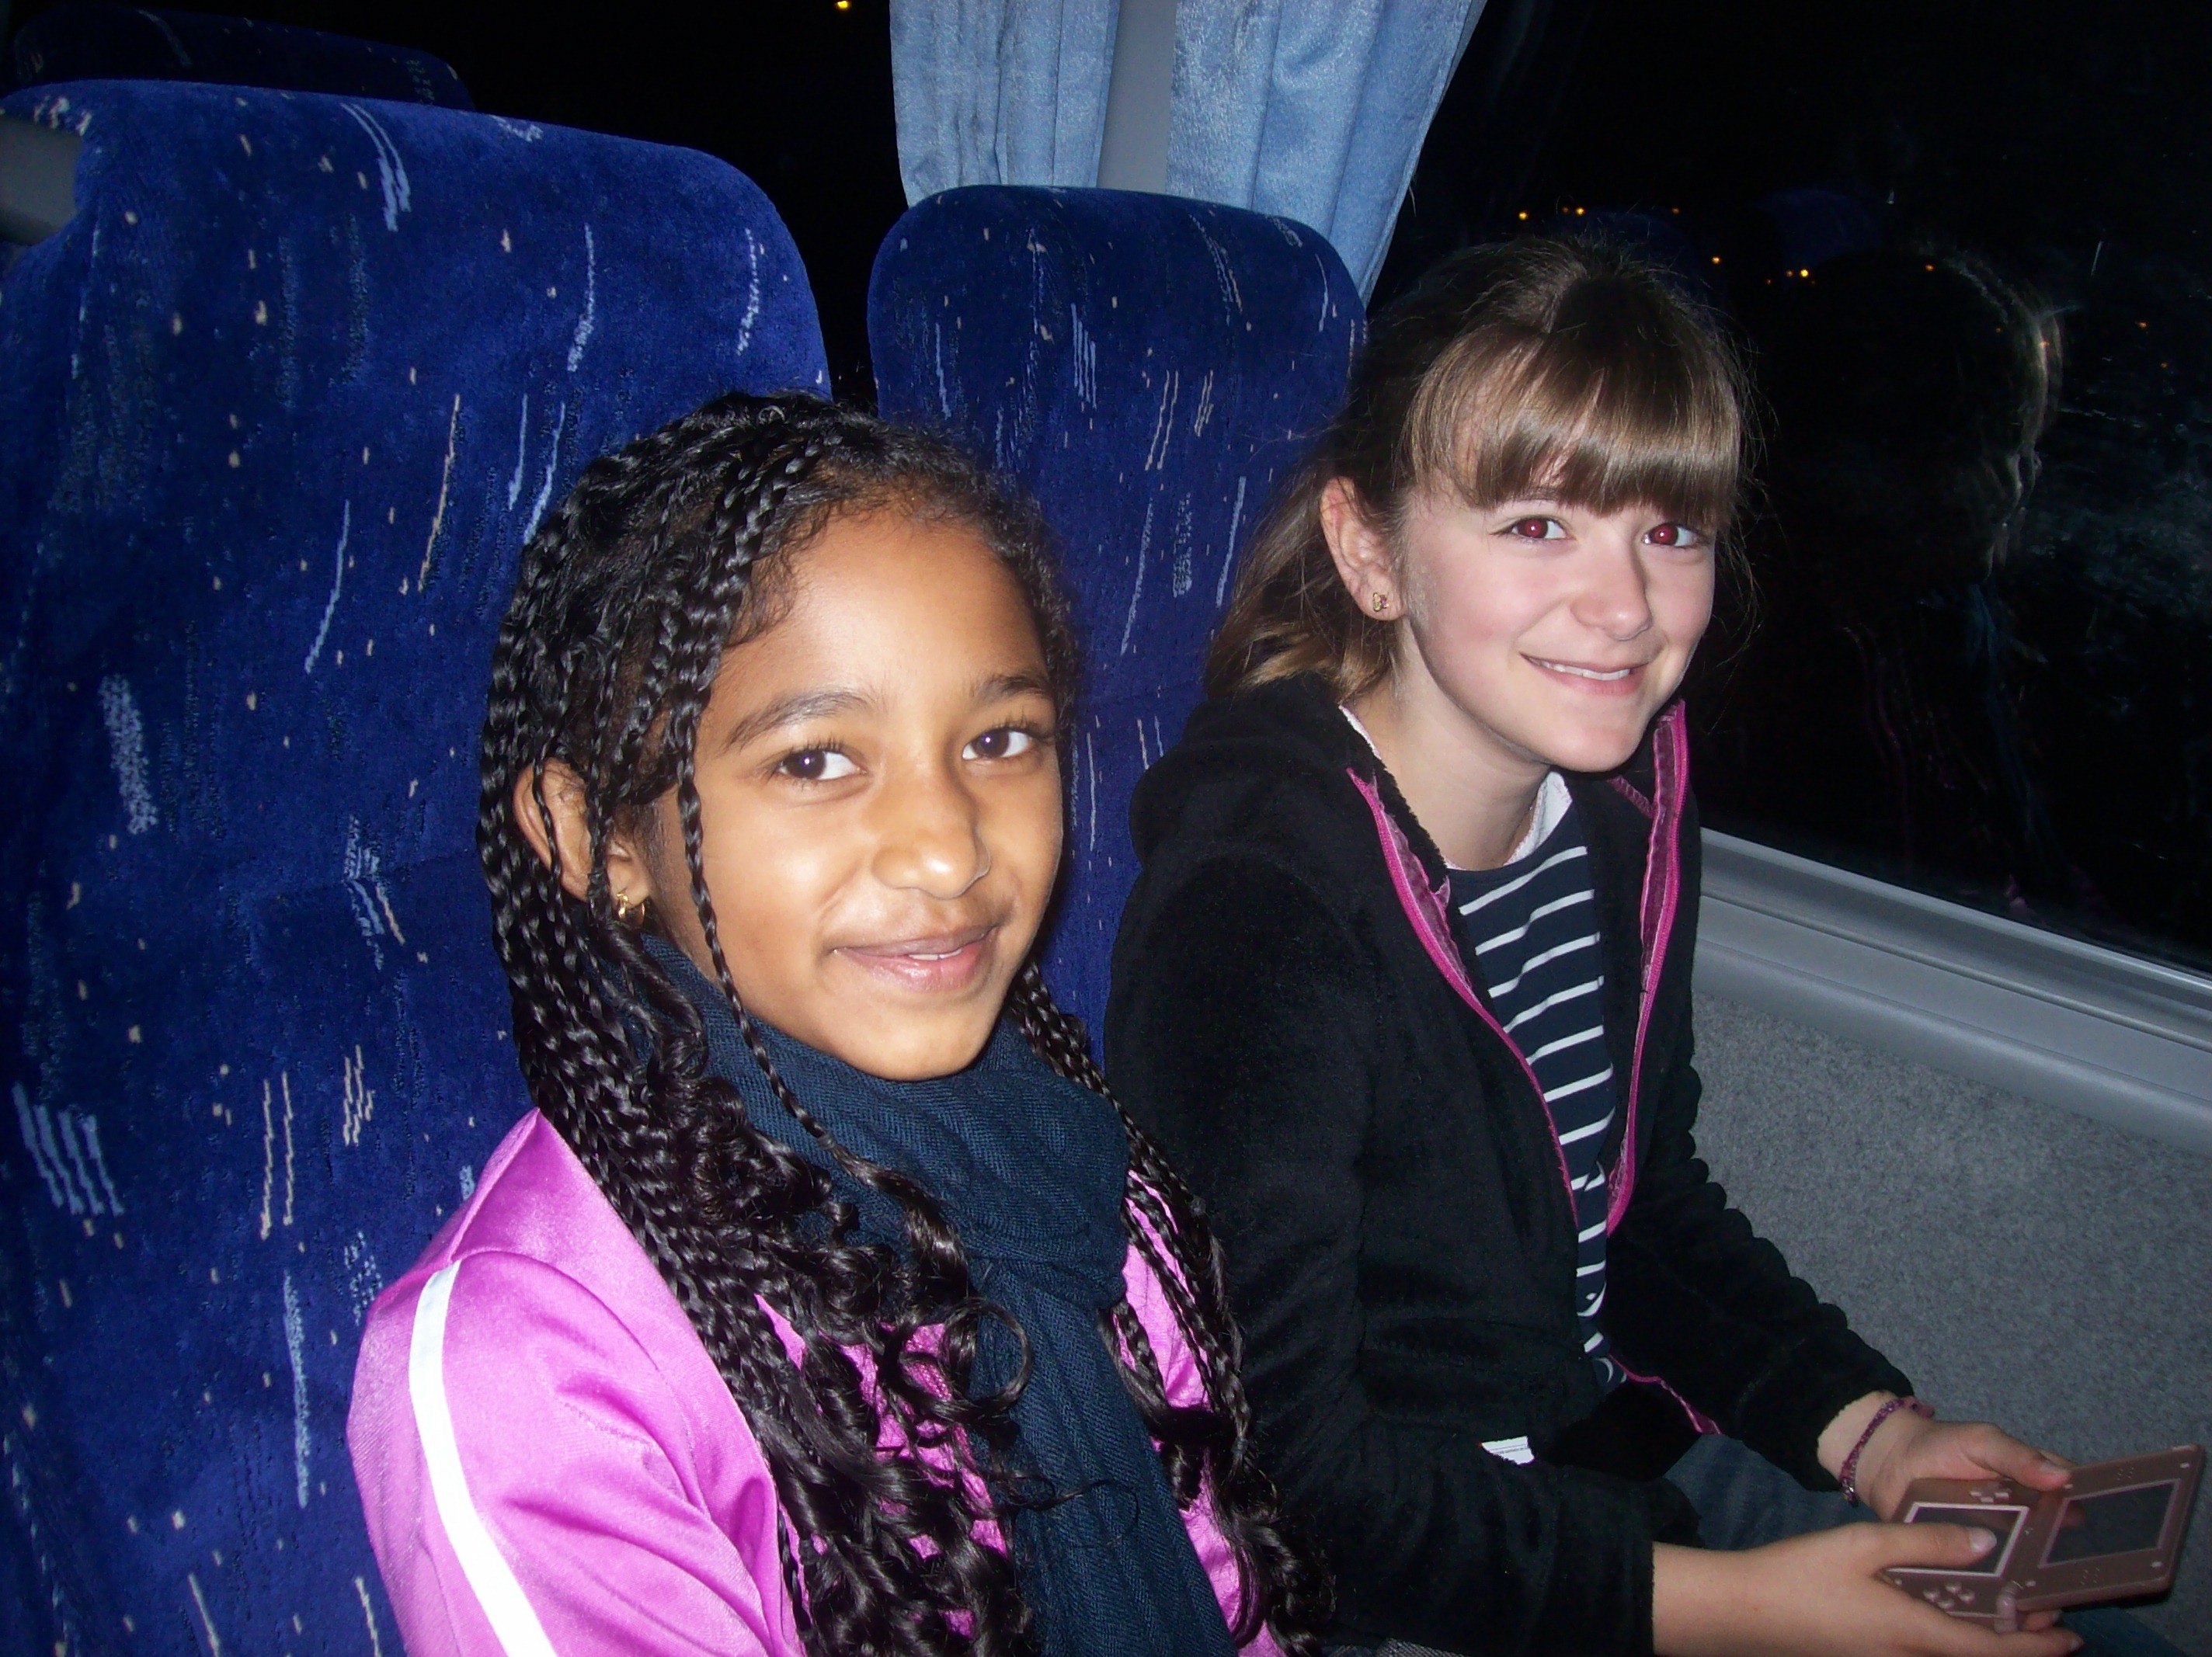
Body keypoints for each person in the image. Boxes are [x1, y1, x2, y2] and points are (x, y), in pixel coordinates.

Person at [1104, 239, 2092, 1657]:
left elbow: (1634, 1212)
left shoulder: (1619, 804)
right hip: (1382, 1578)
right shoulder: (1258, 910)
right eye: (1537, 525)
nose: (1627, 607)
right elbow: (1288, 1472)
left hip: (1591, 1458)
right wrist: (1751, 1609)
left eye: (1670, 530)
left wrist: (1875, 1432)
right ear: (1369, 551)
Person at [346, 393, 1330, 1657]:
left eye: (999, 738)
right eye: (816, 759)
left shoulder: (1074, 1161)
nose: (948, 847)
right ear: (599, 841)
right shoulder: (534, 1360)